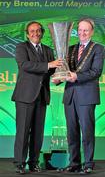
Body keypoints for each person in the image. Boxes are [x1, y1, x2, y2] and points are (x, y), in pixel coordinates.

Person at [53, 18, 104, 174]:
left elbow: (96, 72)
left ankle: (88, 164)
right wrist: (58, 78)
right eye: (80, 30)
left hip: (87, 96)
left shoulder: (98, 49)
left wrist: (76, 76)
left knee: (87, 131)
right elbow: (65, 70)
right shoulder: (71, 48)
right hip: (70, 95)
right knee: (72, 132)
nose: (82, 33)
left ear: (92, 32)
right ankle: (74, 163)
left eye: (86, 30)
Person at [11, 21, 63, 174]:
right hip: (25, 96)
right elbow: (25, 65)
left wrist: (59, 77)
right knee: (23, 131)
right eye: (32, 31)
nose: (35, 33)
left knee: (38, 133)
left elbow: (52, 71)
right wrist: (49, 65)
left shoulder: (47, 50)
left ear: (42, 33)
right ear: (28, 34)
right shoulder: (22, 47)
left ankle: (33, 163)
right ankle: (19, 163)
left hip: (42, 95)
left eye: (38, 30)